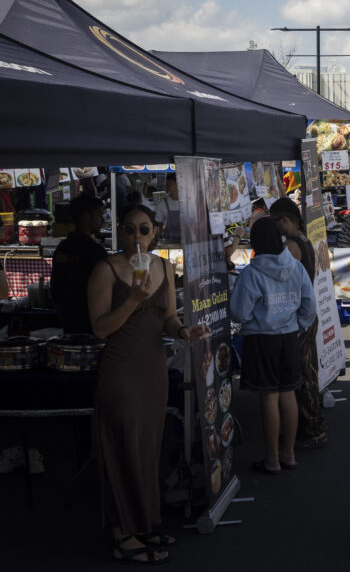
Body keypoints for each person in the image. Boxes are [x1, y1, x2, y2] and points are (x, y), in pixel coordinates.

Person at [87, 205, 207, 564]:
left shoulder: (163, 267)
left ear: (155, 231)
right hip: (121, 370)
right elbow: (100, 328)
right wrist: (134, 300)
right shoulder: (106, 269)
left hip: (153, 368)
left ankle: (143, 524)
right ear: (120, 232)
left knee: (148, 448)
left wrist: (184, 331)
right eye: (129, 229)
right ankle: (123, 534)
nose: (136, 236)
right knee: (122, 447)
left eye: (143, 229)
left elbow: (168, 318)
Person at [230, 217, 316, 476]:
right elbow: (309, 306)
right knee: (288, 394)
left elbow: (239, 313)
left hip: (260, 339)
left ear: (255, 243)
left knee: (268, 397)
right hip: (289, 338)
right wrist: (298, 325)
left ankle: (272, 459)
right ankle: (288, 454)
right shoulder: (296, 267)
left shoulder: (252, 273)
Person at [269, 198, 326, 450]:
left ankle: (313, 429)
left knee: (302, 374)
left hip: (299, 316)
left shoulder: (291, 246)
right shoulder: (303, 239)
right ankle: (311, 426)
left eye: (274, 222)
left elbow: (278, 280)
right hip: (307, 313)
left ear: (284, 220)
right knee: (307, 371)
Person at [51, 194, 107, 334]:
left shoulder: (63, 247)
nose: (102, 219)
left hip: (68, 321)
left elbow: (55, 291)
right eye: (99, 214)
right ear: (87, 216)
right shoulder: (94, 251)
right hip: (91, 320)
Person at [152, 174, 181, 243]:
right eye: (166, 185)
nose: (167, 187)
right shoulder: (163, 203)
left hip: (185, 241)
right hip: (168, 241)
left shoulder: (187, 202)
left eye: (169, 184)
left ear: (177, 184)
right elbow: (159, 224)